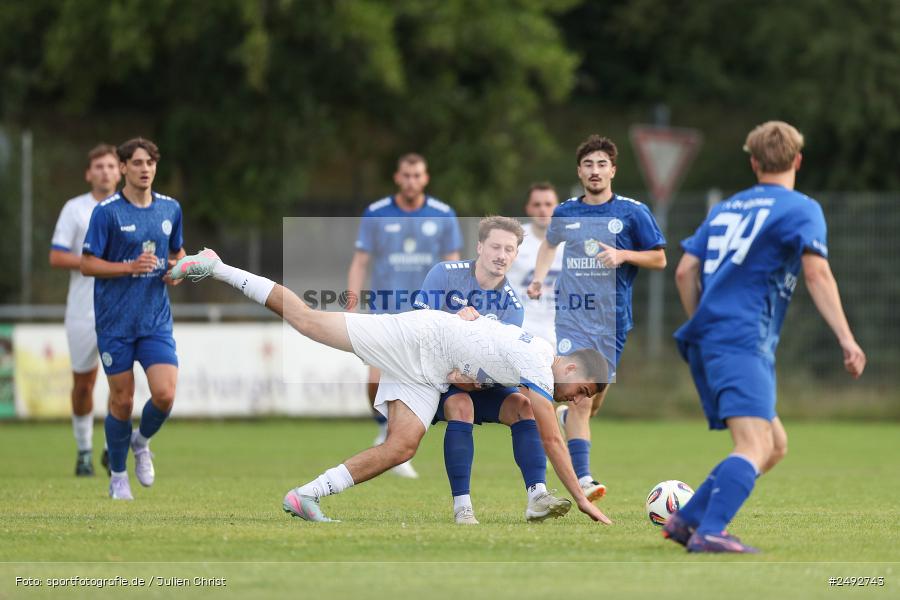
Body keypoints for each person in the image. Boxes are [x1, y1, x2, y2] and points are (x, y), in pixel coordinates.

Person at [168, 248, 612, 525]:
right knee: (307, 321)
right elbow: (552, 437)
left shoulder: (536, 356)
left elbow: (484, 358)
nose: (578, 399)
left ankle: (305, 496)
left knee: (401, 447)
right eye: (583, 390)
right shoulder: (539, 361)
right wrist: (581, 498)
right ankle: (217, 266)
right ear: (572, 367)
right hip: (416, 337)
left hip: (429, 372)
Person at [666, 121, 866, 553]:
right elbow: (817, 273)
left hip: (710, 337)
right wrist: (847, 339)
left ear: (754, 163)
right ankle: (710, 533)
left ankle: (687, 520)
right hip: (740, 339)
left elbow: (684, 271)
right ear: (798, 160)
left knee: (774, 445)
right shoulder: (802, 208)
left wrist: (705, 322)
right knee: (754, 445)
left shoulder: (726, 207)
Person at [528, 135, 666, 502]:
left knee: (593, 398)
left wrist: (624, 256)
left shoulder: (633, 212)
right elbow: (549, 244)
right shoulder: (566, 212)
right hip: (572, 316)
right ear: (579, 171)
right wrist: (539, 278)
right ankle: (584, 478)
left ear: (613, 170)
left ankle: (565, 421)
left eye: (602, 164)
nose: (595, 170)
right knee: (581, 400)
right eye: (588, 164)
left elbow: (659, 258)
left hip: (612, 320)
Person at [415, 216, 570, 524]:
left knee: (524, 406)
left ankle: (537, 497)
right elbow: (418, 326)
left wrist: (474, 379)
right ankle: (462, 507)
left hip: (479, 381)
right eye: (495, 247)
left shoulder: (512, 307)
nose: (501, 255)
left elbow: (500, 365)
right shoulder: (444, 273)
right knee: (461, 405)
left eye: (509, 250)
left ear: (516, 254)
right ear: (480, 247)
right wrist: (454, 323)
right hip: (435, 376)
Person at [80, 137, 186, 500]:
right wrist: (129, 267)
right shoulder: (107, 212)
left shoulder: (170, 208)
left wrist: (177, 271)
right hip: (115, 323)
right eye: (137, 163)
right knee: (122, 402)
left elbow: (178, 253)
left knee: (165, 395)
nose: (145, 169)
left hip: (155, 321)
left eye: (150, 163)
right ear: (123, 167)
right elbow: (87, 264)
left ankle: (141, 442)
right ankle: (118, 476)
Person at [346, 153, 463, 479]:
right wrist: (352, 303)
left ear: (425, 178)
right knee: (374, 380)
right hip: (385, 310)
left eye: (417, 175)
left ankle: (399, 443)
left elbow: (453, 263)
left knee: (419, 382)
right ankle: (384, 429)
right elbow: (360, 261)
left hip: (426, 314)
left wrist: (454, 307)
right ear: (398, 178)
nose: (412, 181)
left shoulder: (442, 214)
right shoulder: (377, 213)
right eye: (406, 175)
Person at [50, 144, 121, 476]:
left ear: (120, 171)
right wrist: (97, 263)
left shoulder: (130, 208)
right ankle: (83, 451)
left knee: (121, 383)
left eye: (110, 166)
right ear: (88, 173)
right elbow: (56, 256)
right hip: (82, 312)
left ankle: (110, 448)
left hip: (119, 310)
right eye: (99, 166)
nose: (105, 172)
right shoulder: (75, 209)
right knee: (83, 385)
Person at [506, 182, 563, 347]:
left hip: (558, 329)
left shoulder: (570, 243)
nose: (543, 210)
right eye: (537, 205)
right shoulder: (511, 239)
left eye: (548, 204)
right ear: (528, 208)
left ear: (558, 208)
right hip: (520, 327)